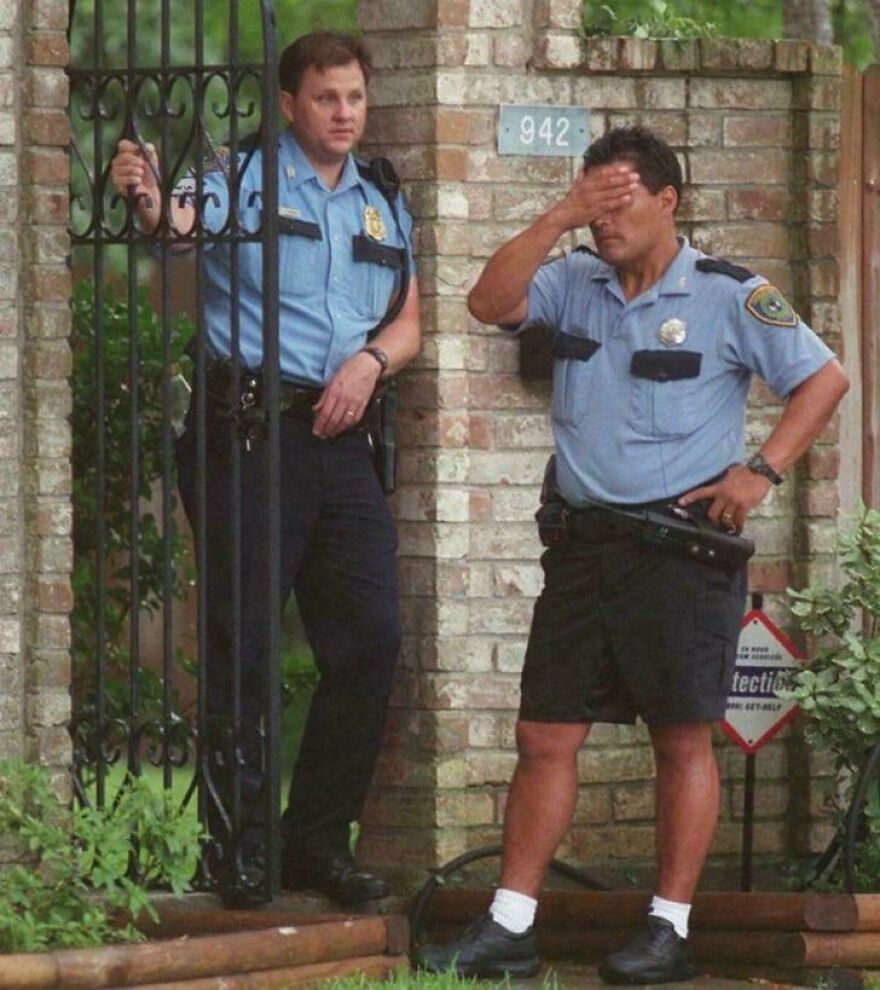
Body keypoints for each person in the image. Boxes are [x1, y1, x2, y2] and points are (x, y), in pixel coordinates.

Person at [416, 126, 848, 984]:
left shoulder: (728, 294)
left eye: (617, 204)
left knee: (681, 738)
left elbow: (823, 377)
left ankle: (670, 925)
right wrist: (558, 216)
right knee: (544, 733)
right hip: (584, 549)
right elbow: (486, 301)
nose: (603, 223)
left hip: (680, 554)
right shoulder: (573, 282)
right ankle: (509, 926)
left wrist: (762, 470)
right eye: (594, 204)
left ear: (666, 201)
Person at [110, 31, 420, 905]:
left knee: (370, 643)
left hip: (340, 438)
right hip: (246, 431)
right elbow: (176, 227)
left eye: (354, 97)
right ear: (290, 104)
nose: (344, 114)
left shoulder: (382, 199)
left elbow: (408, 321)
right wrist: (144, 198)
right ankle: (237, 850)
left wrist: (371, 364)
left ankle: (316, 842)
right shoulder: (242, 177)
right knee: (243, 645)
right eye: (327, 98)